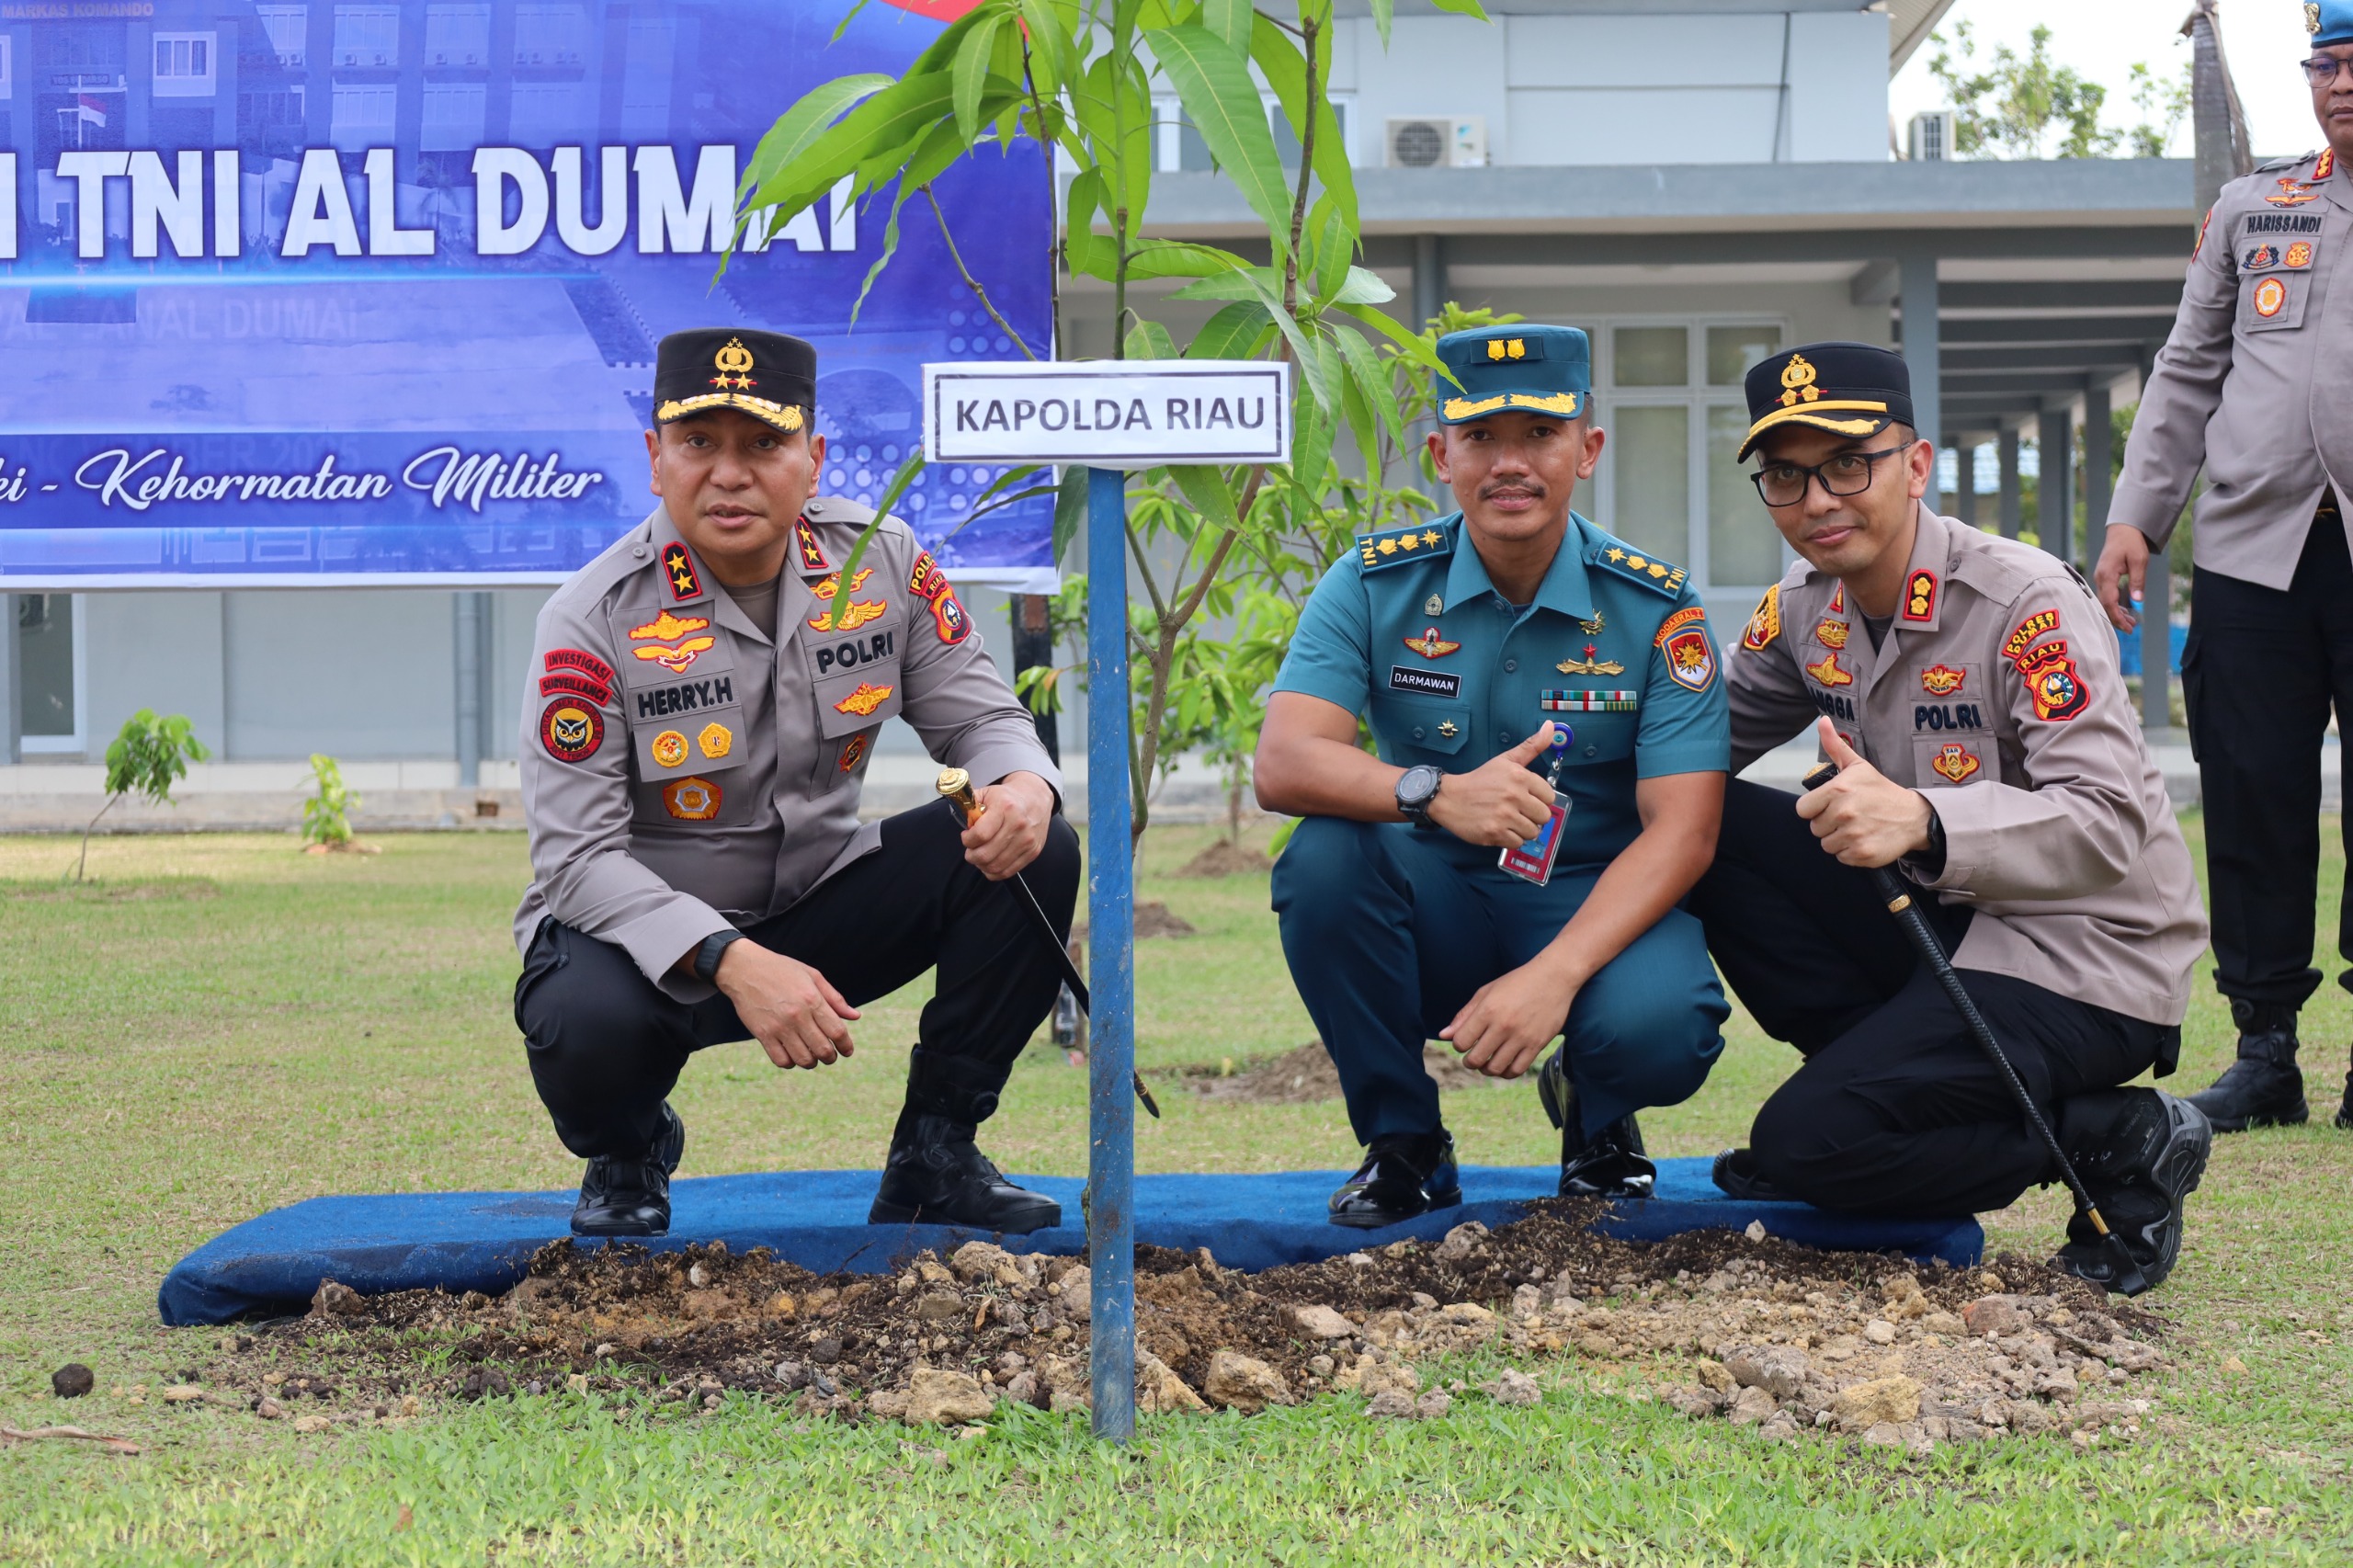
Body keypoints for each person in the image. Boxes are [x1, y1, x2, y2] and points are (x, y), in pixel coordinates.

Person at [513, 328, 1077, 1238]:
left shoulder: (878, 562)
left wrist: (1023, 789)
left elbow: (983, 721)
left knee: (1036, 848)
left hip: (821, 902)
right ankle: (628, 1147)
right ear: (655, 458)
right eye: (699, 442)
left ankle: (935, 1156)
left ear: (812, 460)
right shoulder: (593, 616)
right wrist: (734, 962)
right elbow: (577, 861)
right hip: (647, 944)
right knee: (581, 1014)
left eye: (763, 443)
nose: (729, 474)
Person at [1695, 341, 2212, 1290]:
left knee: (1806, 1145)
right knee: (1708, 816)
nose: (1818, 500)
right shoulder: (1805, 608)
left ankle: (2117, 1133)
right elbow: (1685, 750)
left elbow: (2107, 821)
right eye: (1786, 475)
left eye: (1848, 464)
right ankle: (1875, 1091)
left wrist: (1927, 820)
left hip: (2085, 956)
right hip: (1946, 926)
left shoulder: (2023, 602)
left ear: (1916, 465)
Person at [1256, 324, 1733, 1228]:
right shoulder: (1372, 584)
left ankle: (1595, 1107)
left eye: (1539, 434)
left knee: (1663, 1027)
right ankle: (1405, 1142)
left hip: (1590, 900)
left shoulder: (1655, 607)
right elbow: (1284, 762)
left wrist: (1555, 976)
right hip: (1432, 899)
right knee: (1322, 859)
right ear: (1443, 456)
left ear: (1586, 449)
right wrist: (1434, 792)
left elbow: (1686, 829)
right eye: (1480, 437)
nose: (1510, 463)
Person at [2097, 1, 2353, 1135]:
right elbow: (2187, 368)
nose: (2341, 83)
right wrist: (2134, 517)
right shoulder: (2256, 207)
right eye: (2325, 64)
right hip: (2256, 549)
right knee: (2250, 789)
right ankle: (2265, 1048)